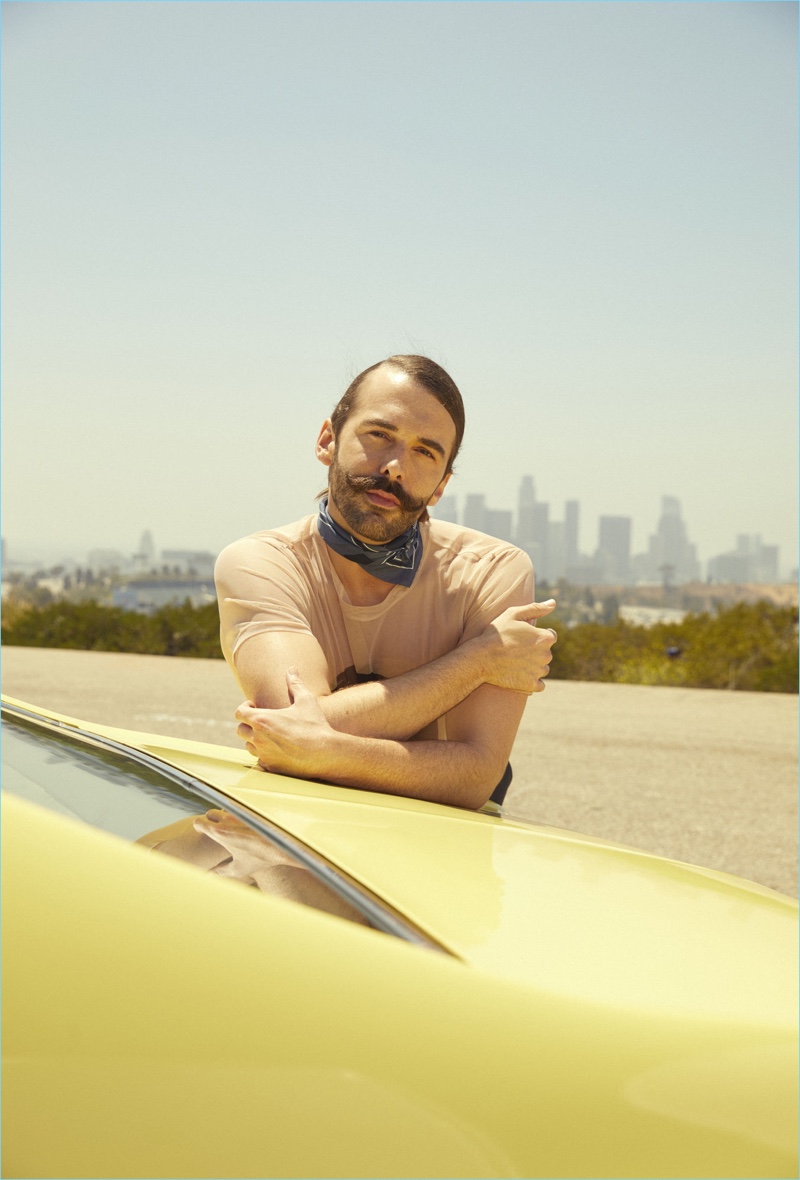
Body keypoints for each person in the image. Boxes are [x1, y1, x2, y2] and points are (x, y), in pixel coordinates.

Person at [215, 354, 556, 810]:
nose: (395, 467)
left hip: (444, 841)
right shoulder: (262, 562)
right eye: (379, 435)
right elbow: (286, 727)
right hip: (300, 826)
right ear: (327, 441)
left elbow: (476, 778)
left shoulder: (490, 569)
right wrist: (477, 662)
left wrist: (325, 748)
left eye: (425, 452)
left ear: (440, 485)